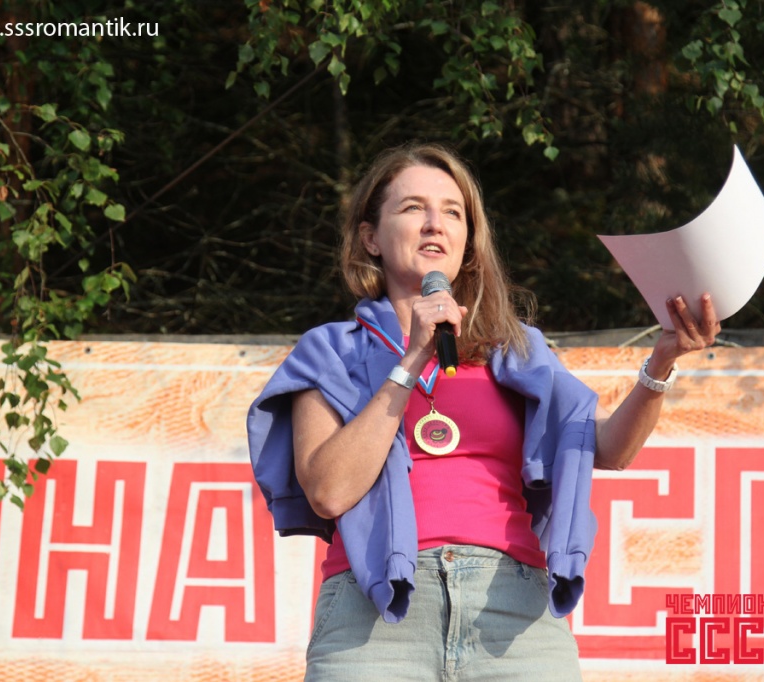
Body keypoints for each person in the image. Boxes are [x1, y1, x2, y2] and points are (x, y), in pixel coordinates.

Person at [247, 142, 719, 681]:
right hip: (373, 618)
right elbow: (329, 491)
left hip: (511, 613)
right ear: (370, 238)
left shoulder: (515, 350)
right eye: (413, 208)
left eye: (453, 212)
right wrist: (412, 359)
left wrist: (662, 361)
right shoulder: (330, 351)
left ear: (468, 244)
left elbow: (610, 449)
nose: (435, 224)